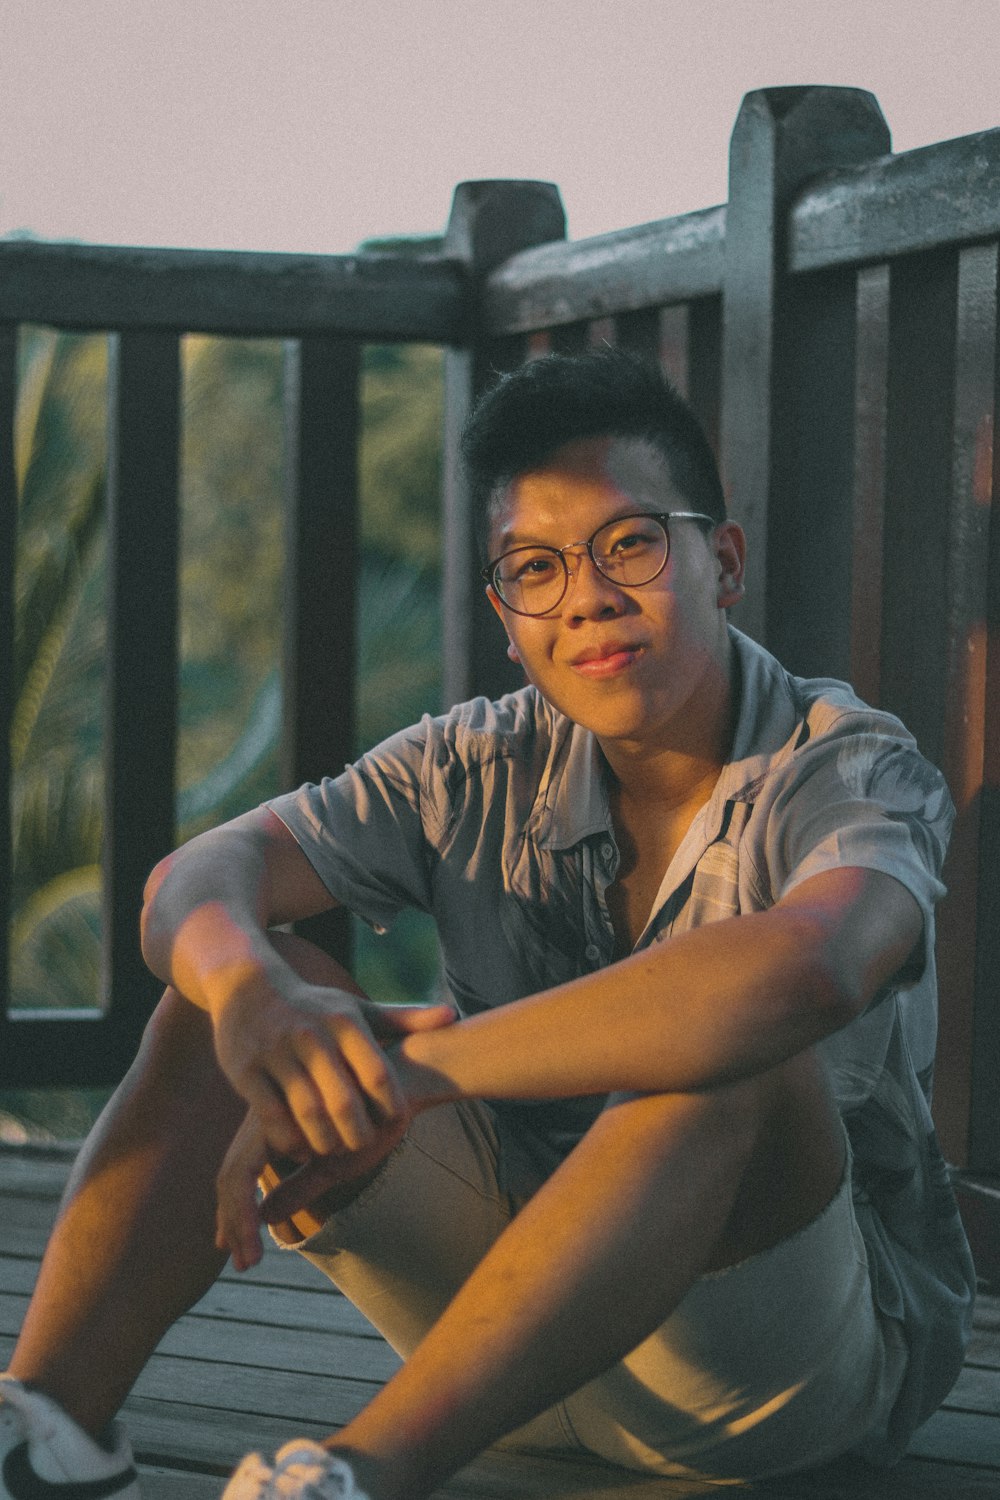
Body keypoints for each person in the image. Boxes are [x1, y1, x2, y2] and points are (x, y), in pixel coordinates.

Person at [0, 350, 975, 1500]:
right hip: (507, 1325)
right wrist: (258, 996)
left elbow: (809, 971)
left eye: (630, 544)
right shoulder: (471, 760)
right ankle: (46, 1427)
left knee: (730, 1065)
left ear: (723, 563)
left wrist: (427, 1069)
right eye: (535, 568)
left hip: (770, 1371)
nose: (588, 598)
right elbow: (192, 883)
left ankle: (354, 1478)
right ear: (507, 618)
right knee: (240, 988)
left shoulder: (848, 763)